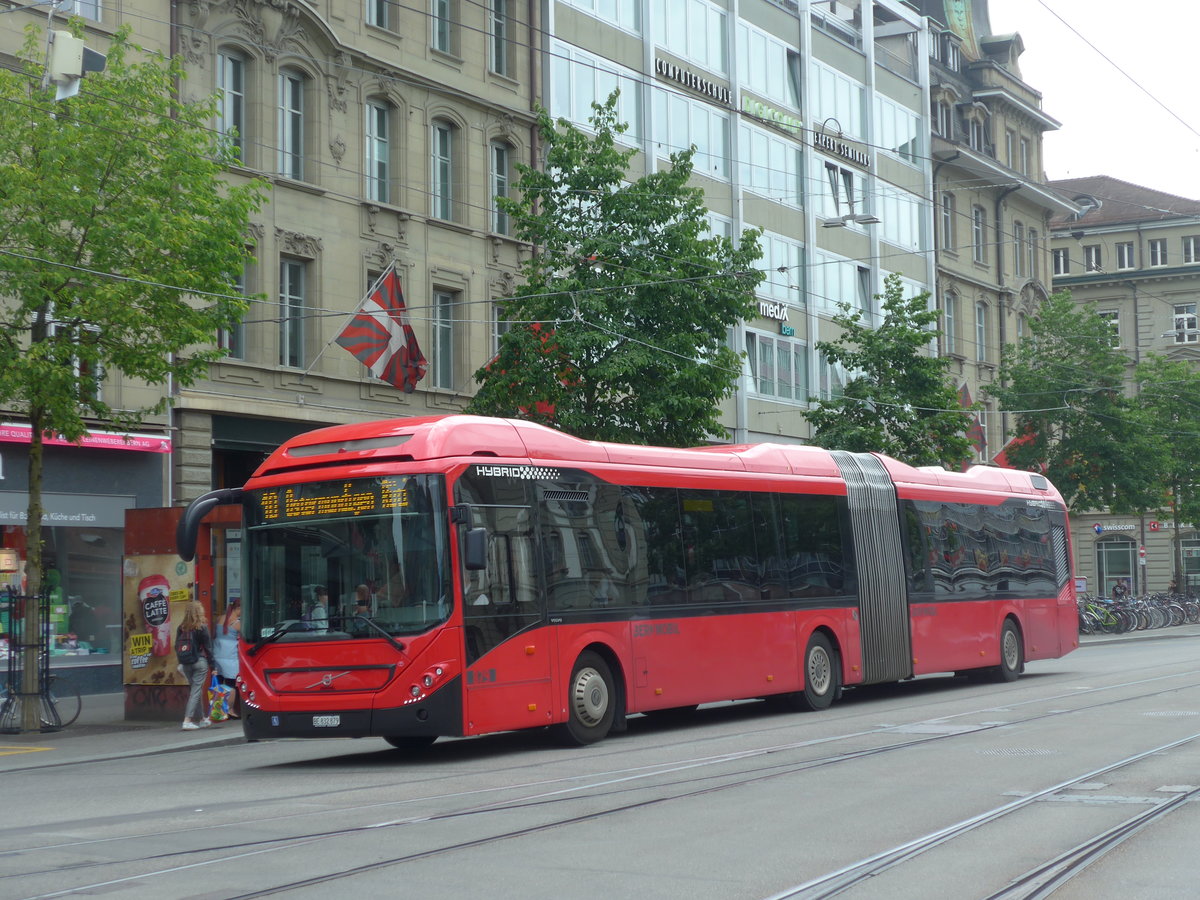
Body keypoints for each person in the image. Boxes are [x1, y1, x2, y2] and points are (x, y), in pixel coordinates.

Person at [176, 600, 215, 731]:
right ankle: (187, 720)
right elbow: (208, 648)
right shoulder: (202, 627)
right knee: (196, 691)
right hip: (200, 662)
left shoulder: (181, 628)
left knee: (195, 690)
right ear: (200, 612)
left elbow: (176, 646)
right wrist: (213, 667)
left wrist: (180, 662)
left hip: (186, 663)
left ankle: (202, 719)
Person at [212, 599, 241, 719]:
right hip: (230, 657)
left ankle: (218, 711)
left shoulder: (219, 618)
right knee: (231, 684)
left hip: (217, 654)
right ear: (238, 609)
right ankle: (230, 710)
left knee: (218, 684)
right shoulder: (238, 623)